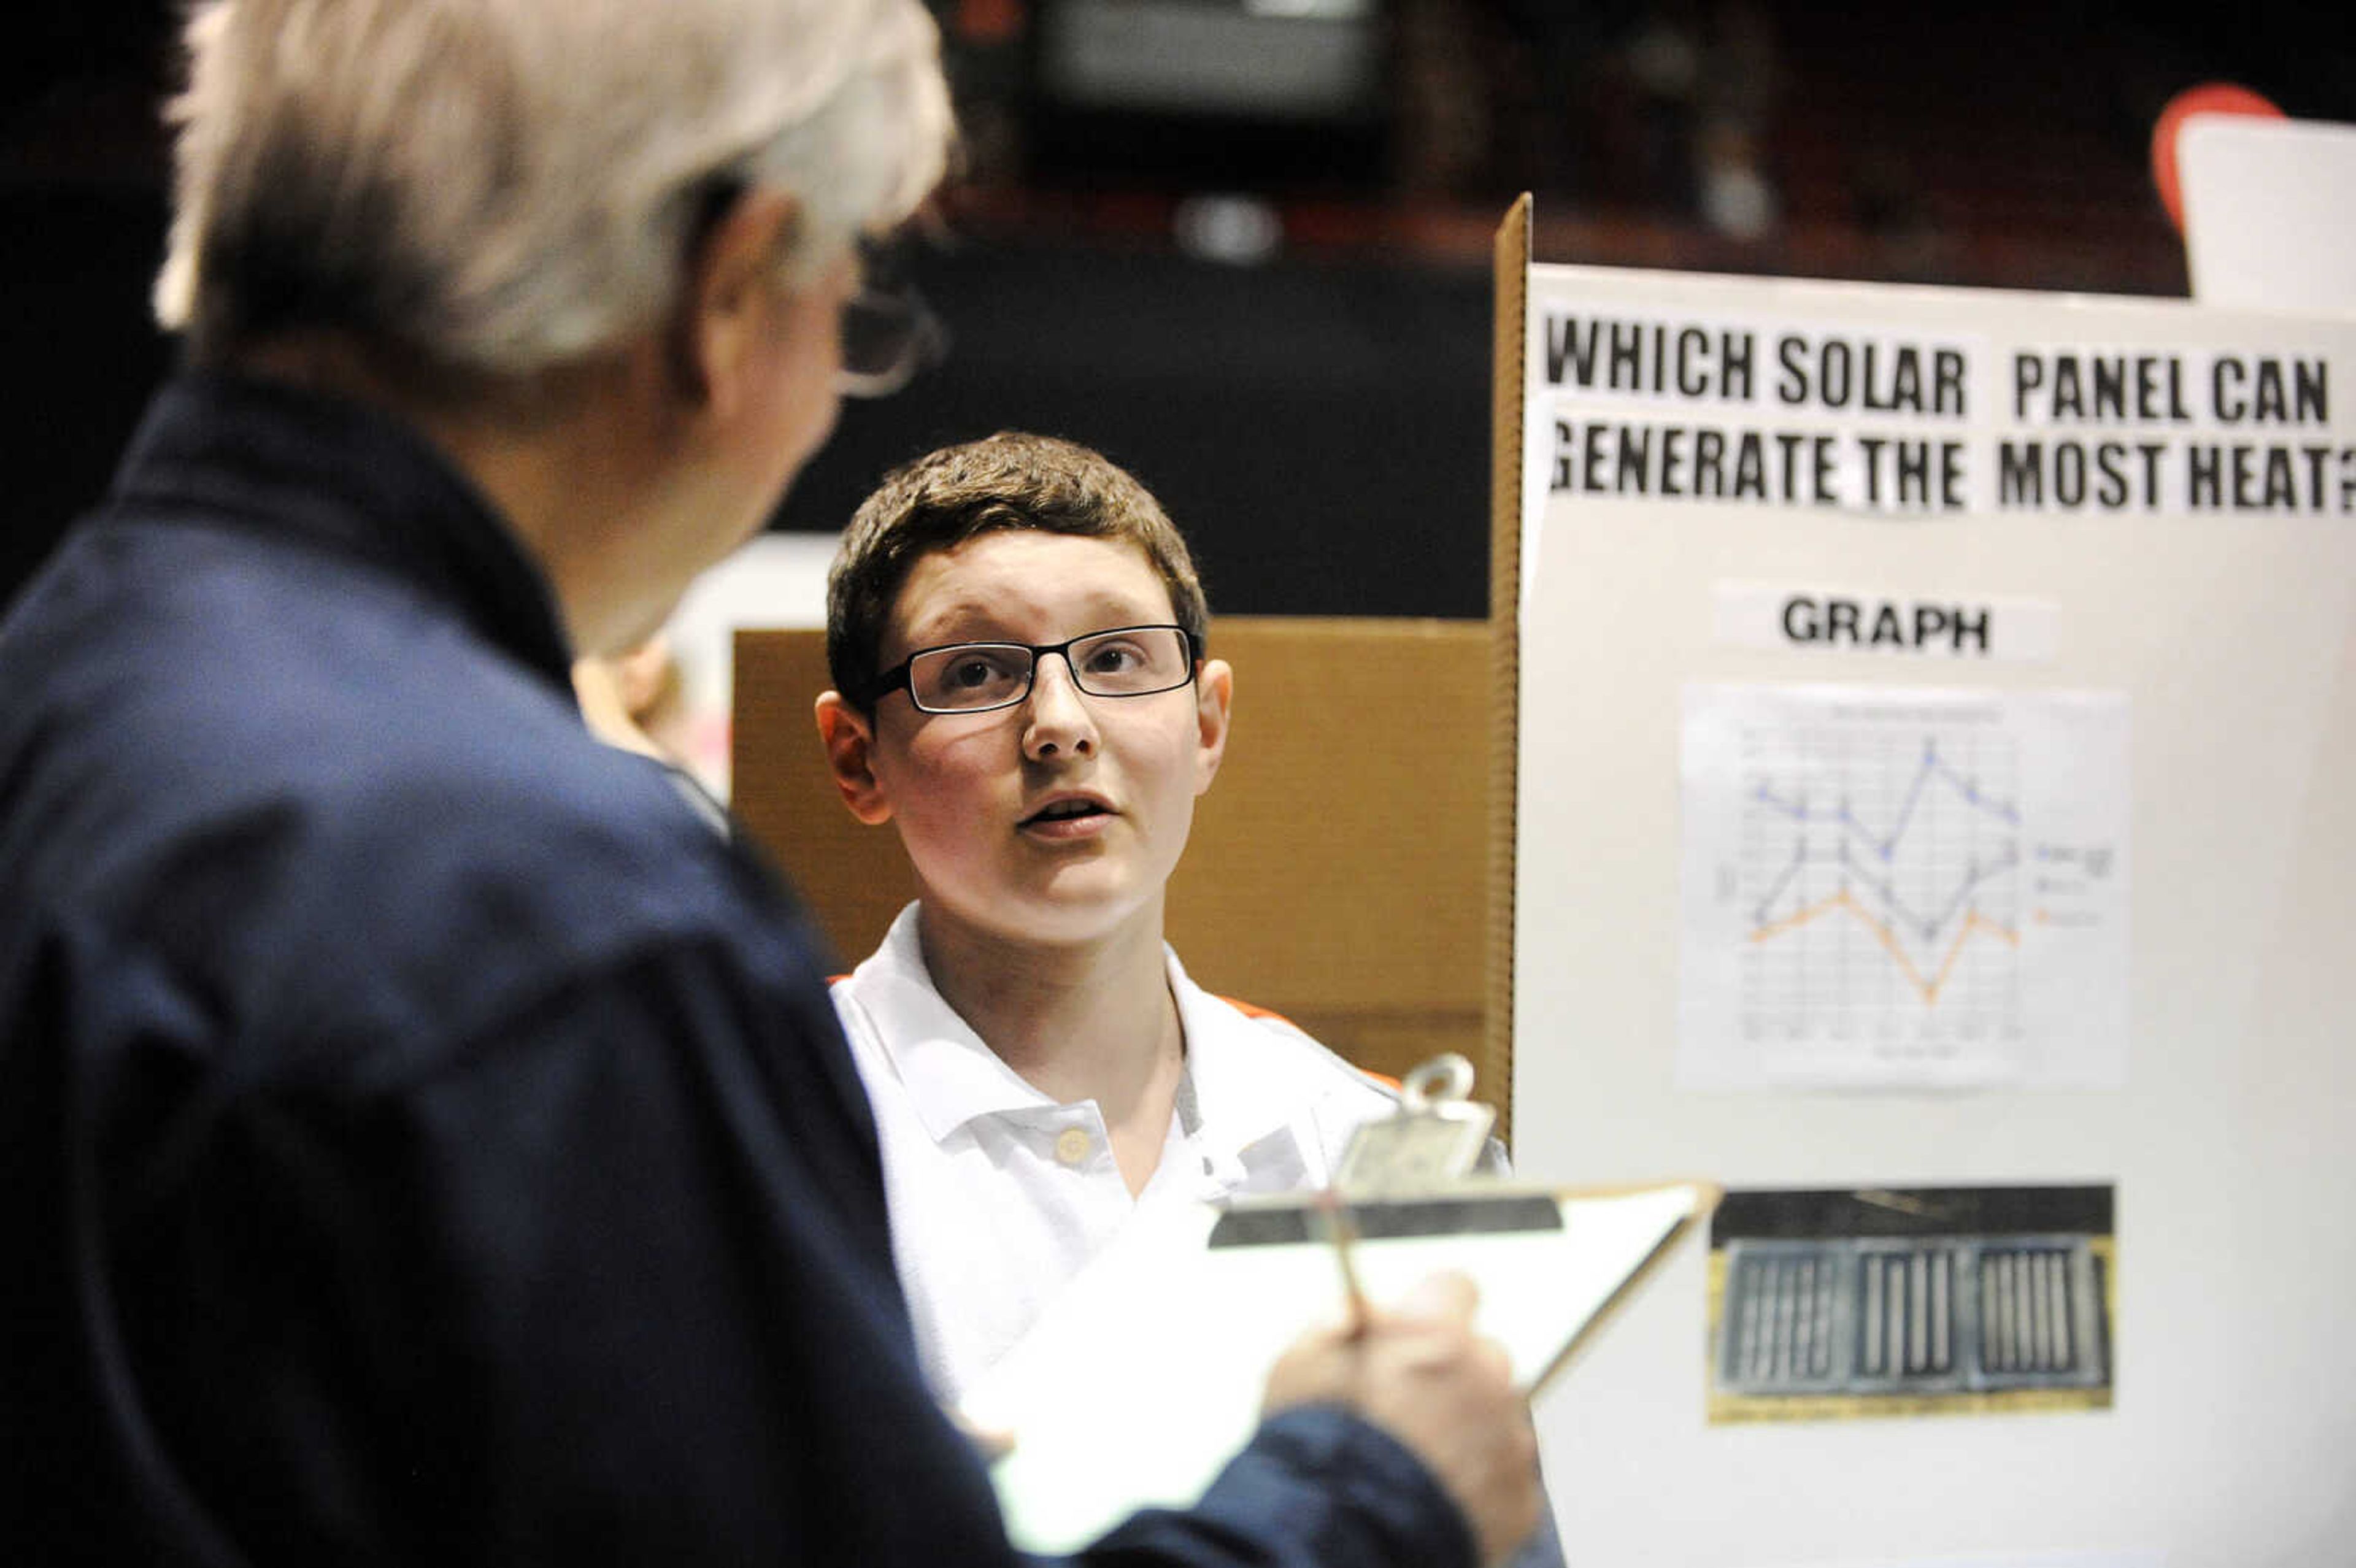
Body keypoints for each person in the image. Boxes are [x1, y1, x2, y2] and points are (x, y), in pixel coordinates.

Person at [0, 4, 1545, 1567]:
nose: (1059, 724)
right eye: (847, 303)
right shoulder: (573, 923)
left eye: (1115, 661)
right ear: (730, 296)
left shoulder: (63, 692)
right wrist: (1366, 1497)